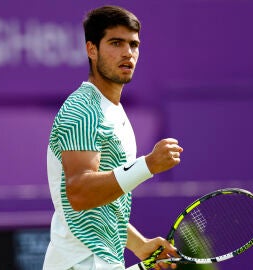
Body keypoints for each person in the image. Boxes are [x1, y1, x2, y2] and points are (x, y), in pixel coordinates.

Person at [43, 5, 183, 270]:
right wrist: (148, 165)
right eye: (116, 43)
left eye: (134, 44)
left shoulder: (114, 111)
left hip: (98, 259)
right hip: (80, 261)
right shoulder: (83, 109)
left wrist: (140, 244)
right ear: (91, 50)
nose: (127, 53)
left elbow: (101, 206)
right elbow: (80, 193)